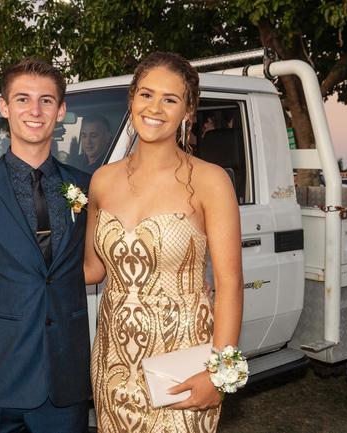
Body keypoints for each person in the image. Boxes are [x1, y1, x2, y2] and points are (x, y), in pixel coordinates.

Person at [84, 52, 244, 432]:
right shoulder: (101, 181)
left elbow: (230, 284)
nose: (155, 108)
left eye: (170, 99)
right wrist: (16, 260)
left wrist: (221, 374)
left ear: (188, 111)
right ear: (132, 100)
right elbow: (92, 269)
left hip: (182, 359)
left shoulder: (210, 180)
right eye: (146, 94)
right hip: (113, 359)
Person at [0, 58, 91, 433]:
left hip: (65, 380)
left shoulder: (87, 187)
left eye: (46, 100)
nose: (35, 111)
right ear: (5, 108)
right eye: (23, 99)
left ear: (61, 111)